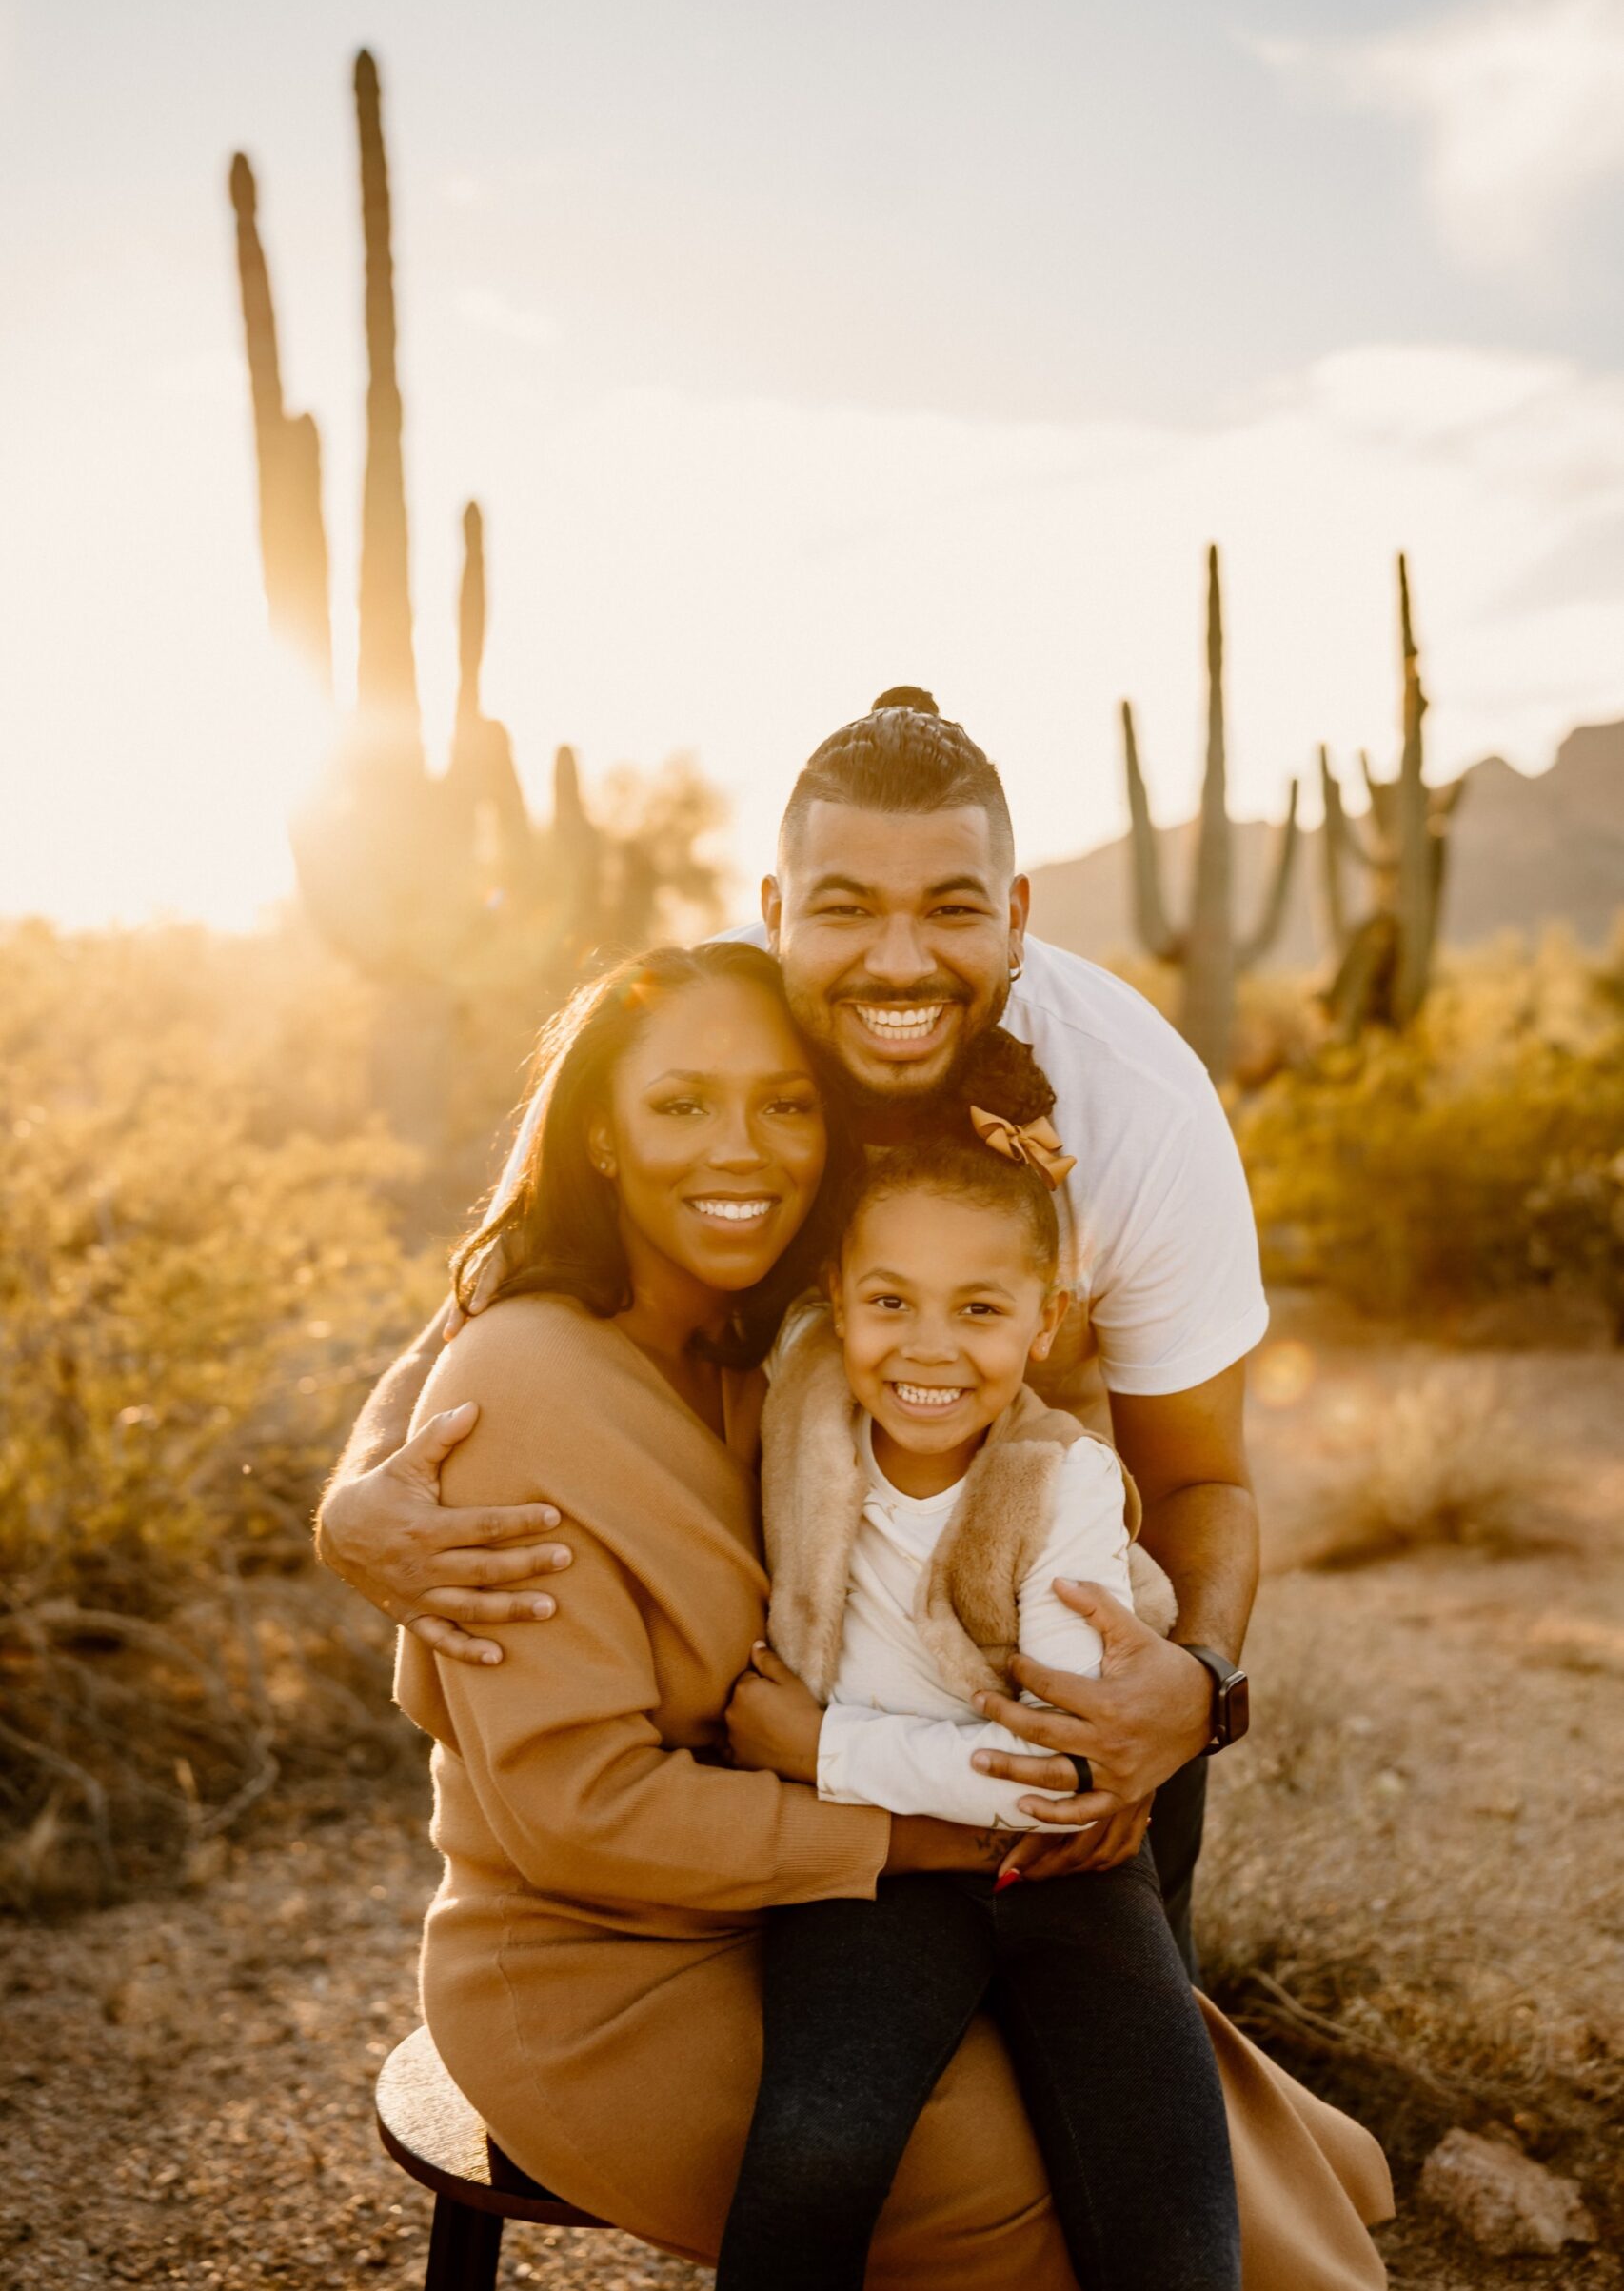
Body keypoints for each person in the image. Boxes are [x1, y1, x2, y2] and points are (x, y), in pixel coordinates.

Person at [393, 937, 1394, 2291]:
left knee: (1165, 2135)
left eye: (786, 1104)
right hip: (603, 1967)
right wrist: (924, 1833)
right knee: (1030, 2194)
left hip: (817, 1896)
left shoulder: (783, 1346)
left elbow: (1042, 1484)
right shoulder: (523, 1381)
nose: (738, 1149)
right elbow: (579, 1813)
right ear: (604, 1139)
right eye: (680, 1104)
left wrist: (1148, 1710)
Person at [321, 688, 1270, 1966]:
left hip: (1037, 1622)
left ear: (1015, 916)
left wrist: (1195, 1685)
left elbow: (1200, 1475)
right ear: (774, 913)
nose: (894, 962)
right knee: (835, 2050)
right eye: (841, 909)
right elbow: (503, 1281)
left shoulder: (1140, 1116)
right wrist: (352, 1493)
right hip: (788, 1616)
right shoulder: (713, 1028)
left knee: (1119, 2050)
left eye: (947, 907)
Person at [711, 1063, 1241, 2291]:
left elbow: (1054, 1771)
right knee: (811, 2154)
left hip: (1063, 1872)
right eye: (889, 1300)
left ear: (1046, 1320)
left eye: (981, 1309)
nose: (929, 1349)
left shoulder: (1058, 1486)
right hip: (883, 1873)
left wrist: (815, 1745)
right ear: (833, 1300)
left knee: (1171, 2208)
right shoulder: (801, 1395)